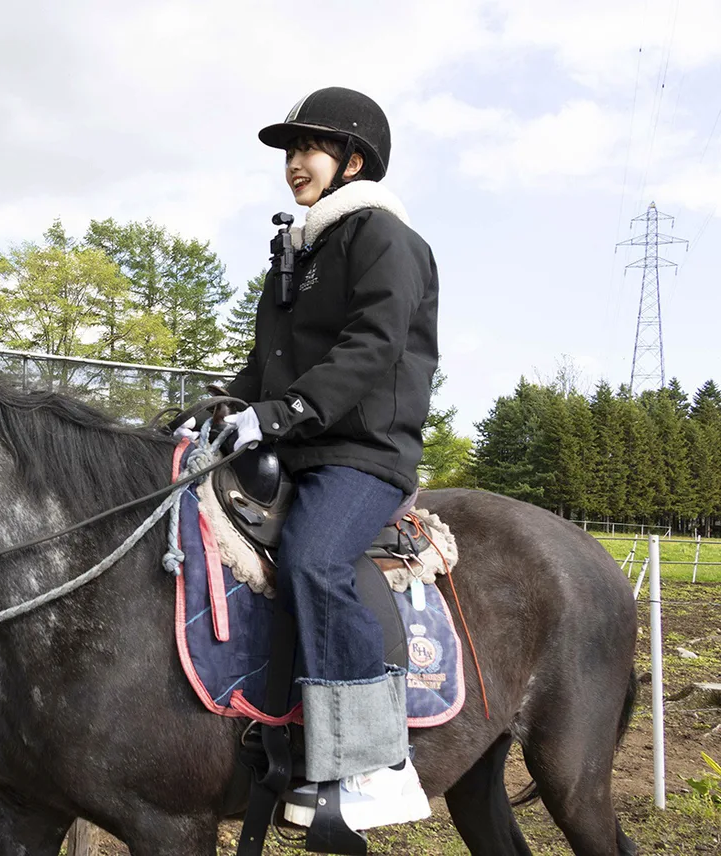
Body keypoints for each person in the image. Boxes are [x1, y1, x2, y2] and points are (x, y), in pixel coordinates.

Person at [223, 86, 439, 831]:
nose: (293, 165)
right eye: (289, 152)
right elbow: (263, 366)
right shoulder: (295, 253)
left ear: (353, 160)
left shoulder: (383, 238)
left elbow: (372, 348)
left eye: (308, 149)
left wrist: (288, 412)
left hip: (361, 451)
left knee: (314, 558)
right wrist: (222, 410)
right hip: (297, 446)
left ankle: (377, 762)